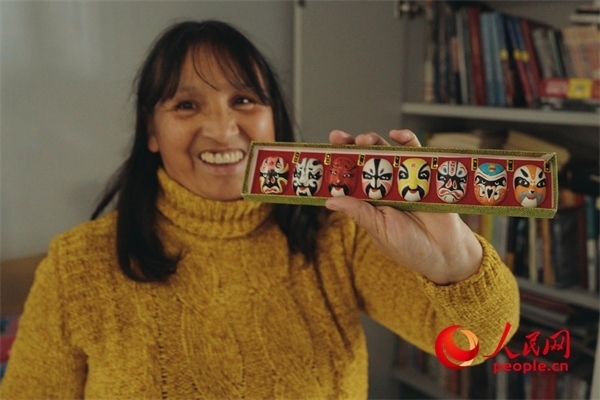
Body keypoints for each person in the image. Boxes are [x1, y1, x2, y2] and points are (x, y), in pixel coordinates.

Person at [0, 20, 519, 399]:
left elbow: (476, 344)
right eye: (186, 105)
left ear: (275, 121)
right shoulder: (76, 265)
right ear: (151, 131)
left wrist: (454, 264)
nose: (223, 129)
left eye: (244, 100)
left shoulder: (338, 232)